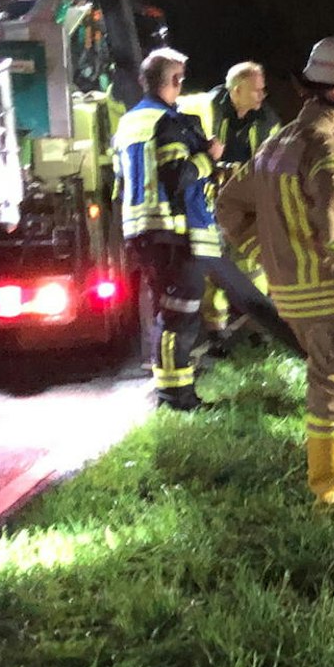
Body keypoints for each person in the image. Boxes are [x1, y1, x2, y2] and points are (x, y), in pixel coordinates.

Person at [216, 37, 334, 511]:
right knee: (333, 392)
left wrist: (272, 256)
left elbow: (228, 206)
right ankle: (332, 496)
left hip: (294, 299)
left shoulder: (276, 144)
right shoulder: (328, 152)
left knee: (331, 386)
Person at [114, 47, 218, 410]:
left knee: (168, 311)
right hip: (171, 232)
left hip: (141, 231)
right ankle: (177, 397)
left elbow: (121, 182)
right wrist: (208, 159)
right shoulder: (168, 122)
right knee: (181, 314)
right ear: (175, 80)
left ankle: (172, 392)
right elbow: (179, 176)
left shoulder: (128, 123)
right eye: (180, 79)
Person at [196, 61, 282, 345]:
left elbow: (273, 163)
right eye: (256, 90)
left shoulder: (267, 120)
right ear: (236, 91)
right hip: (210, 201)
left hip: (248, 202)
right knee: (214, 264)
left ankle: (258, 327)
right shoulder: (206, 110)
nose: (262, 95)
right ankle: (216, 330)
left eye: (263, 90)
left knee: (253, 264)